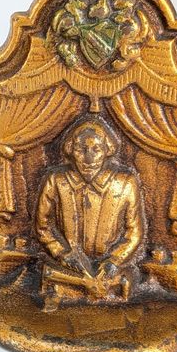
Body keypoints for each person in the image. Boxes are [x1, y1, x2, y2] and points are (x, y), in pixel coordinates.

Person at [35, 118, 145, 300]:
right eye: (81, 150)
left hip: (109, 270)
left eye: (96, 149)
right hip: (68, 268)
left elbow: (134, 232)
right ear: (71, 151)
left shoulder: (125, 183)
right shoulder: (56, 180)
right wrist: (61, 253)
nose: (88, 159)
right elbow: (42, 226)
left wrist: (115, 260)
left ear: (107, 151)